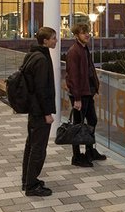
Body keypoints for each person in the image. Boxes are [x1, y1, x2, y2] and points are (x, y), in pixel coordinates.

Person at [21, 27, 57, 197]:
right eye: (53, 38)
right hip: (39, 111)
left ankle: (27, 180)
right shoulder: (42, 59)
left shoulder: (32, 55)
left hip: (33, 109)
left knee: (31, 145)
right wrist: (47, 113)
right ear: (45, 41)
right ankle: (31, 185)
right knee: (38, 148)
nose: (56, 41)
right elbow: (42, 89)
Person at [65, 23, 106, 167]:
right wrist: (76, 98)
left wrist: (94, 88)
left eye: (87, 32)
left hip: (87, 92)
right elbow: (73, 77)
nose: (87, 34)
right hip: (79, 95)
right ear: (76, 35)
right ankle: (76, 156)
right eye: (83, 33)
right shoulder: (74, 51)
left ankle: (90, 150)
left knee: (92, 121)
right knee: (77, 125)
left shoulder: (84, 49)